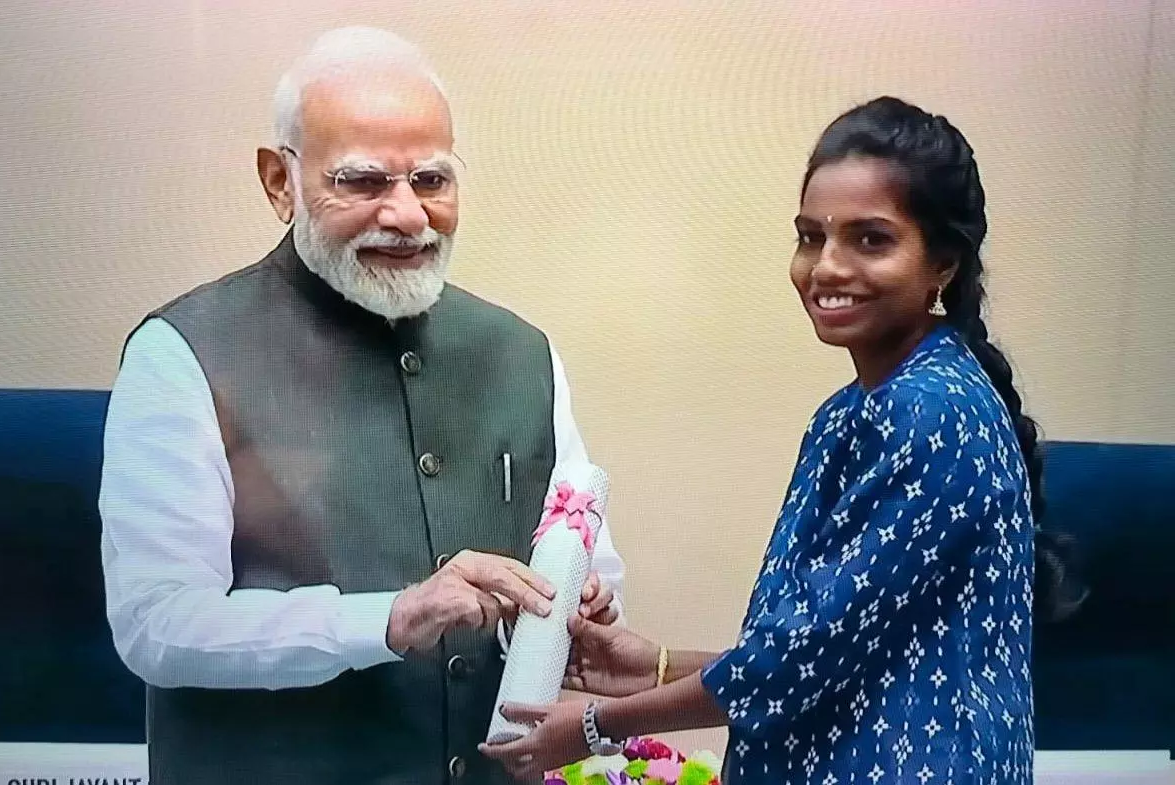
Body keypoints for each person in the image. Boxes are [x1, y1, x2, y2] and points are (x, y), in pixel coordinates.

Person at [480, 96, 1085, 784]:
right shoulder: (855, 409)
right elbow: (825, 656)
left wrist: (594, 724)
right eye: (810, 235)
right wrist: (650, 665)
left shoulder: (930, 411)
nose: (826, 266)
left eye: (870, 239)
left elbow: (800, 661)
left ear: (942, 262)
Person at [98, 26, 627, 785]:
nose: (408, 215)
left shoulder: (523, 351)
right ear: (280, 181)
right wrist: (391, 617)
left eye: (432, 180)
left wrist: (584, 602)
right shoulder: (181, 352)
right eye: (363, 181)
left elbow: (593, 564)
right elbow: (158, 623)